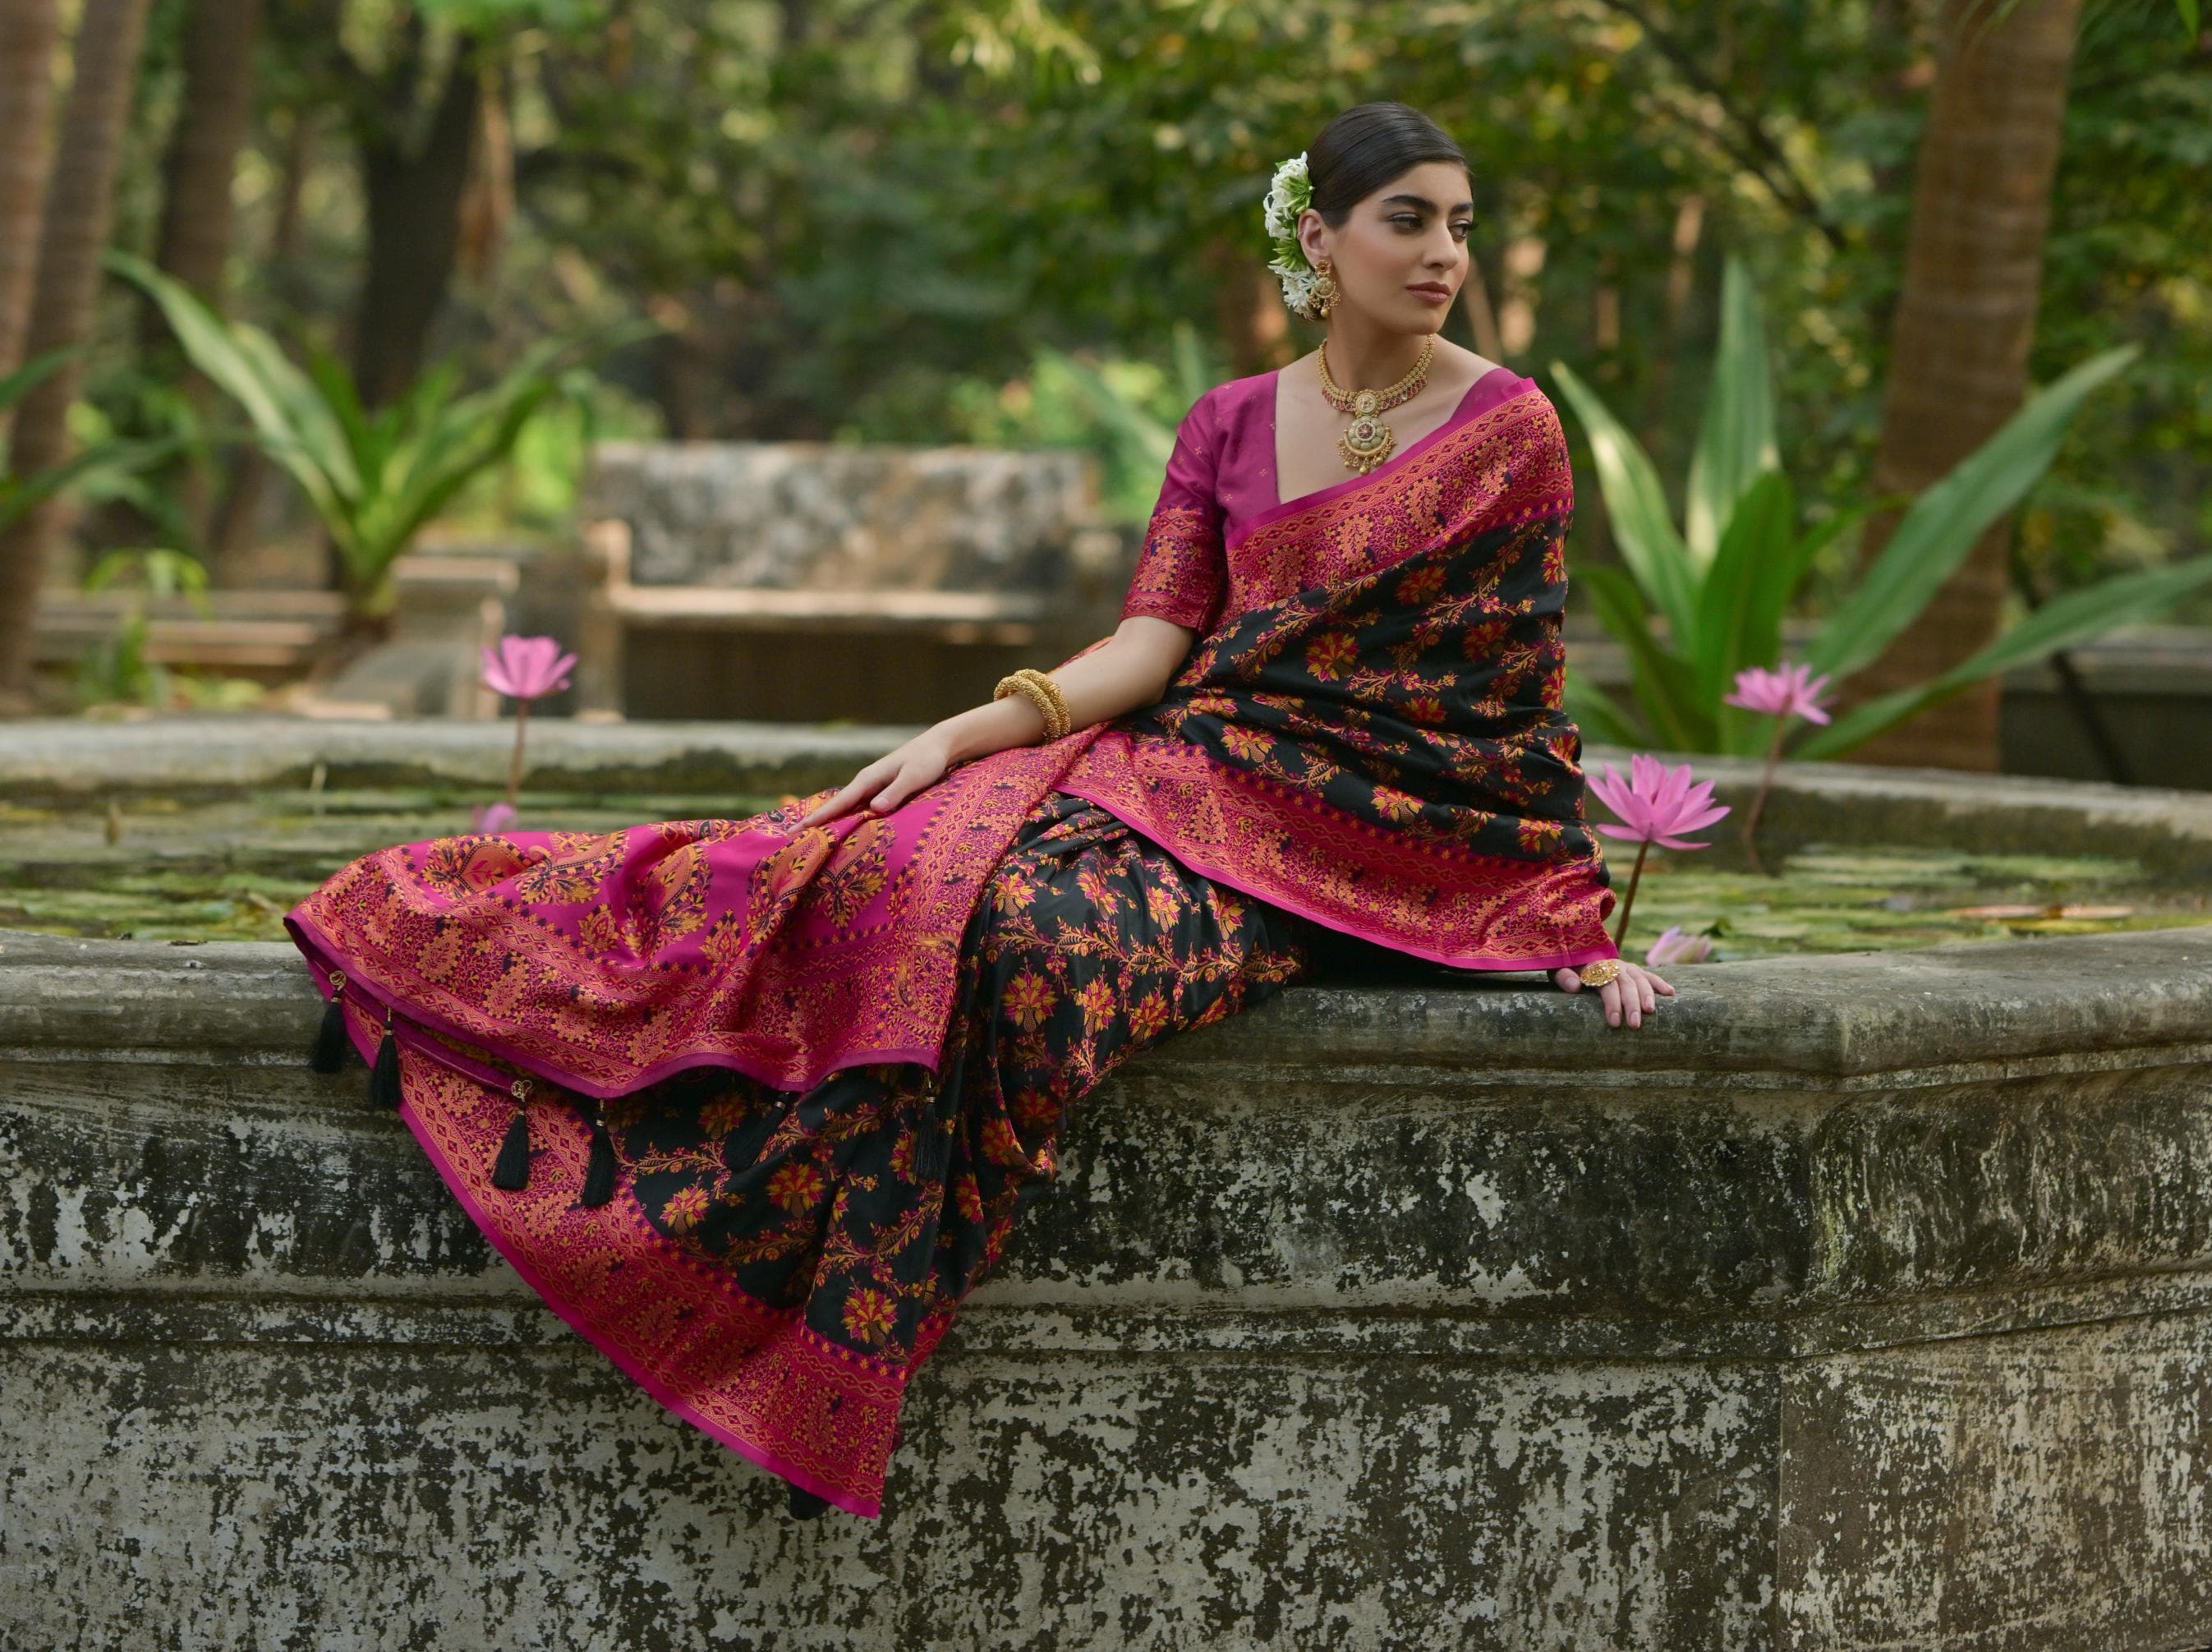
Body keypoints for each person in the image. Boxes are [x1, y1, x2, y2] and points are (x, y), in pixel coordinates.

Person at [288, 100, 1663, 1521]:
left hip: (1352, 837)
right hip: (1185, 773)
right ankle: (459, 983)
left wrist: (1554, 911)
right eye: (1407, 219)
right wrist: (963, 734)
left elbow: (1507, 687)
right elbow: (1152, 645)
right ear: (1317, 236)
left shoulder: (1509, 429)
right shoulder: (1230, 421)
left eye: (1457, 223)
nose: (1442, 251)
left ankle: (788, 1273)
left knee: (1024, 937)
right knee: (864, 866)